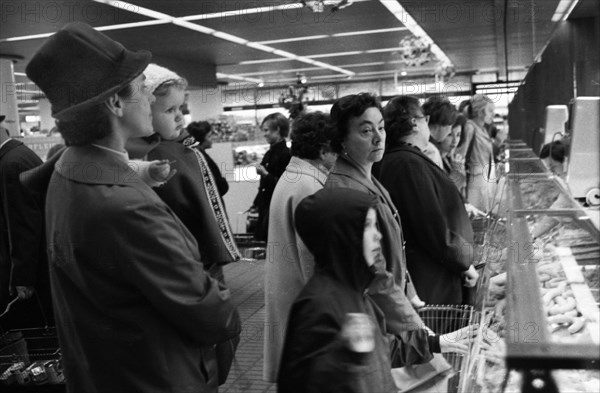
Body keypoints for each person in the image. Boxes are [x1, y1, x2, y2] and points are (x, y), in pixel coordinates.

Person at [21, 22, 240, 392]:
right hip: (156, 375)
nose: (149, 99)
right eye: (141, 88)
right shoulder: (126, 204)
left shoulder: (66, 173)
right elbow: (211, 315)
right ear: (115, 101)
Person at [278, 188, 477, 393]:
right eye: (368, 226)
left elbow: (380, 348)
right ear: (341, 235)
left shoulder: (356, 295)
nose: (378, 235)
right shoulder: (319, 308)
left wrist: (436, 342)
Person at [325, 93, 426, 335]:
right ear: (342, 141)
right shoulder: (345, 191)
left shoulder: (367, 178)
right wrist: (415, 329)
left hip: (387, 310)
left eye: (380, 127)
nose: (379, 138)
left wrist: (409, 291)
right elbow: (373, 272)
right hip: (372, 319)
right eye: (366, 131)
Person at [377, 96, 479, 311]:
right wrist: (463, 261)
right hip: (431, 279)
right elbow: (431, 228)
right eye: (425, 119)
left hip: (431, 272)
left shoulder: (405, 159)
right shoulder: (407, 164)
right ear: (415, 123)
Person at [262, 112, 338, 382]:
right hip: (305, 304)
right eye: (336, 148)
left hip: (289, 296)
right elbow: (313, 260)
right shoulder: (310, 187)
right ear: (323, 149)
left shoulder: (294, 177)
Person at [0, 115, 53, 331]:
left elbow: (23, 225)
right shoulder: (18, 156)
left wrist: (22, 277)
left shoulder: (10, 164)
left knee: (38, 338)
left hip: (35, 275)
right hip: (43, 267)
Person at [249, 113, 292, 241]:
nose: (265, 134)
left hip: (275, 206)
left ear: (278, 129)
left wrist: (266, 174)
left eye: (266, 130)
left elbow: (285, 184)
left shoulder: (285, 154)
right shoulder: (270, 152)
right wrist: (256, 203)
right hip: (266, 204)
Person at [454, 94, 496, 212]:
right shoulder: (470, 127)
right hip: (476, 180)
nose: (493, 114)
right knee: (476, 214)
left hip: (486, 178)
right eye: (490, 110)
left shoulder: (483, 128)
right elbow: (460, 154)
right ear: (480, 111)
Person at [185, 120, 229, 196]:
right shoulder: (201, 158)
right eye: (209, 136)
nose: (212, 138)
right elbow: (220, 186)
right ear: (200, 139)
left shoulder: (192, 155)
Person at [423, 97, 458, 170]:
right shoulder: (431, 151)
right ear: (442, 124)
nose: (449, 131)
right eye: (450, 126)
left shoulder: (418, 142)